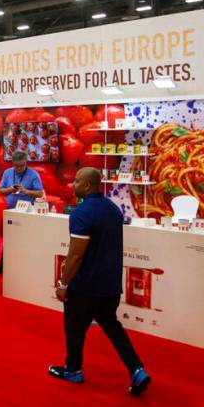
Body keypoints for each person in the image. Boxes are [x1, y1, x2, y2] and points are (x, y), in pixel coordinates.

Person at [50, 167, 151, 395]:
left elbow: (76, 254)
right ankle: (137, 369)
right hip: (110, 285)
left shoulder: (81, 213)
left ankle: (73, 370)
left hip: (85, 286)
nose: (73, 185)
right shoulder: (113, 210)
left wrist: (63, 284)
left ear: (86, 185)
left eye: (76, 181)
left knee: (74, 328)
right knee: (113, 327)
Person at [0, 150, 43, 274]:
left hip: (27, 213)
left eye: (22, 166)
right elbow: (1, 191)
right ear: (12, 163)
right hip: (11, 212)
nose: (19, 169)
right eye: (16, 166)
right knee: (8, 240)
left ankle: (26, 270)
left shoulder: (33, 174)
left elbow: (40, 193)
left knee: (27, 241)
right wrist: (10, 190)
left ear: (26, 163)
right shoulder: (7, 173)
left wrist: (26, 191)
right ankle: (2, 266)